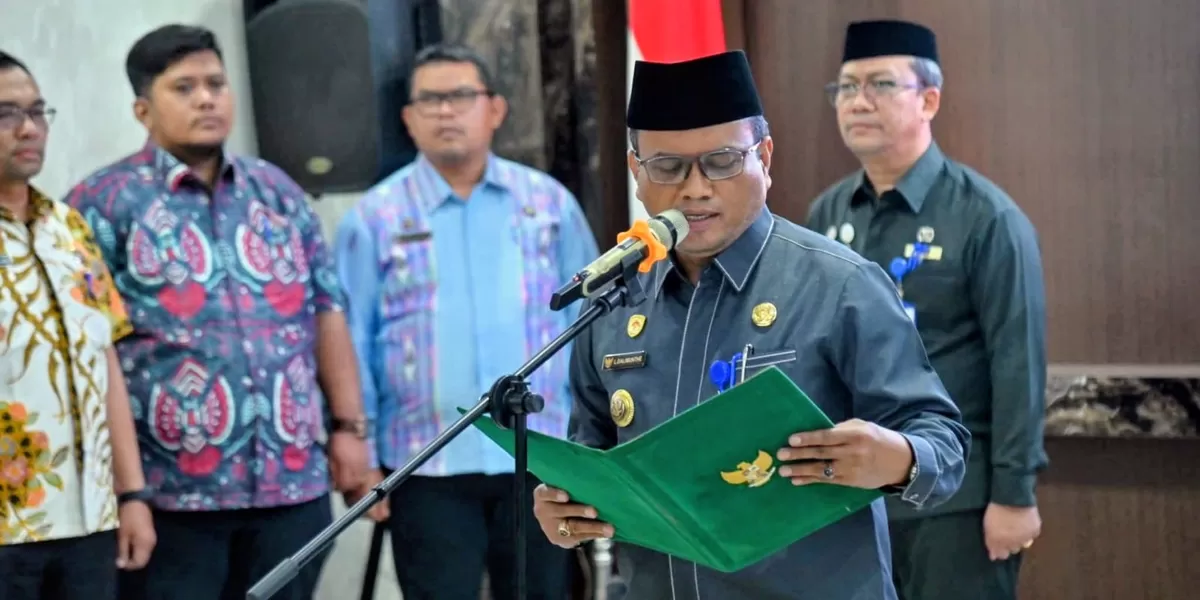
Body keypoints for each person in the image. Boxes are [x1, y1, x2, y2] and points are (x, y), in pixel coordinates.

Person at [531, 49, 971, 600]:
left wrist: (899, 459)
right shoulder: (615, 298)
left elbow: (943, 443)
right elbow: (591, 453)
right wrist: (565, 508)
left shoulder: (840, 285)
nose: (694, 188)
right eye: (667, 167)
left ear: (763, 157)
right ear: (636, 173)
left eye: (721, 162)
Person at [62, 25, 370, 600]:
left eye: (216, 84)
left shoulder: (277, 193)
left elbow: (326, 310)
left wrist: (349, 430)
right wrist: (127, 494)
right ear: (142, 109)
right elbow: (89, 352)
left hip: (291, 486)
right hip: (171, 499)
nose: (206, 99)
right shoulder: (99, 204)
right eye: (184, 88)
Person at [335, 42, 599, 600]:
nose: (445, 111)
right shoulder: (374, 218)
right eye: (429, 100)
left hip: (540, 456)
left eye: (460, 96)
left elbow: (591, 323)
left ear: (495, 109)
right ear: (408, 118)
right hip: (424, 462)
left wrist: (592, 437)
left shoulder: (549, 205)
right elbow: (351, 338)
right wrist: (359, 443)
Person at [806, 19, 1048, 600]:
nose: (858, 101)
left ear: (929, 100)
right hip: (850, 499)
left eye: (881, 84)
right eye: (846, 87)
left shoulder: (986, 218)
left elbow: (1017, 362)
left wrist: (1014, 495)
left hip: (954, 501)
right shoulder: (825, 216)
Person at [0, 50, 156, 598]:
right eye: (6, 114)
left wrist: (132, 494)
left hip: (90, 523)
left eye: (37, 111)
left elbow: (103, 360)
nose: (28, 128)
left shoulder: (70, 228)